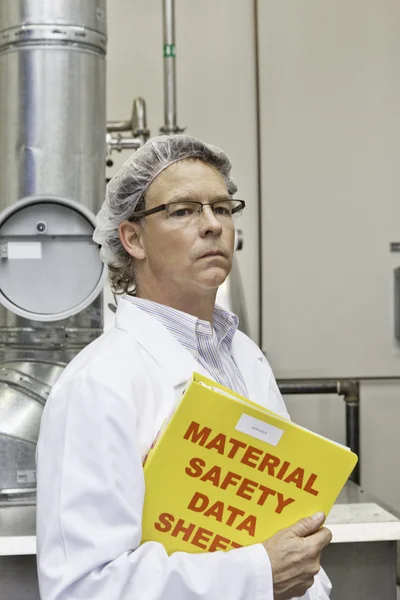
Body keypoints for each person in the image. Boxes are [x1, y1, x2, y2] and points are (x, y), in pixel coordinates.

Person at [36, 135, 332, 600]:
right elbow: (84, 588)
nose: (213, 225)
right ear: (132, 238)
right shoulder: (99, 383)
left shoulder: (246, 358)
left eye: (222, 207)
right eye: (183, 211)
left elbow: (282, 528)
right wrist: (256, 575)